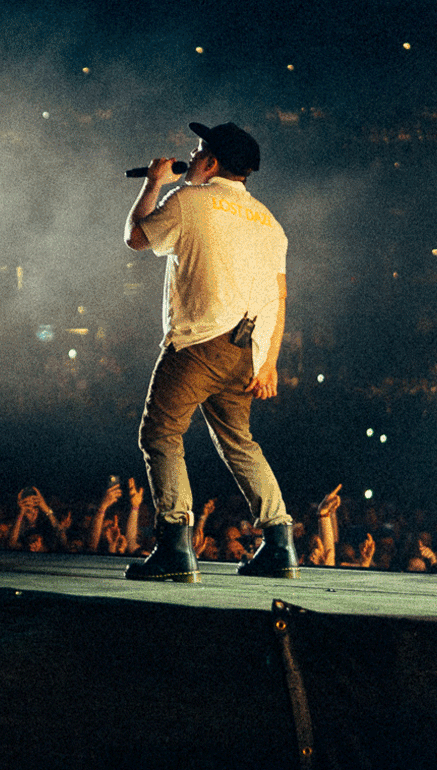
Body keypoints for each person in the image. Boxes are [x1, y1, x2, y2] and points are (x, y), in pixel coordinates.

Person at [122, 121, 294, 582]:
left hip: (198, 344)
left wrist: (154, 182)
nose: (191, 158)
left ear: (211, 162)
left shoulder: (187, 201)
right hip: (245, 353)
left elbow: (136, 237)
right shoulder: (270, 223)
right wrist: (269, 361)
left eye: (198, 152)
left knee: (160, 434)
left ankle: (176, 545)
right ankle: (280, 543)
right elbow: (278, 296)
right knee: (239, 442)